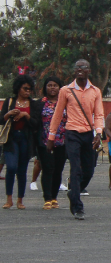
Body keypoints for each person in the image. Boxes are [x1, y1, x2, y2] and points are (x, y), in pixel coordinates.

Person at [47, 59, 105, 220]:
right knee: (75, 168)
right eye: (77, 67)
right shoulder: (66, 90)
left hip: (89, 133)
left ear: (89, 71)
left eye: (84, 67)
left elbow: (99, 114)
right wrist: (51, 137)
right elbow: (58, 114)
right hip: (71, 133)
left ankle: (74, 191)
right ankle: (78, 207)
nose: (80, 69)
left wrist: (98, 133)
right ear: (74, 71)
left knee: (89, 170)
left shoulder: (95, 91)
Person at [1, 75, 39, 210]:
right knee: (11, 167)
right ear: (18, 88)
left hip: (25, 139)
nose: (27, 91)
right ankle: (9, 199)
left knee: (22, 170)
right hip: (11, 139)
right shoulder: (10, 101)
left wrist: (26, 115)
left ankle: (19, 200)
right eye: (25, 88)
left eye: (29, 89)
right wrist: (9, 113)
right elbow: (1, 120)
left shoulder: (33, 104)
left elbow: (36, 124)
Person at [35, 76, 68, 209]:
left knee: (58, 170)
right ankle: (47, 198)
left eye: (55, 85)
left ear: (60, 88)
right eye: (49, 85)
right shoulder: (39, 104)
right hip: (44, 141)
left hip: (62, 141)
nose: (52, 87)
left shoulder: (66, 103)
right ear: (45, 87)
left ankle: (54, 197)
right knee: (47, 168)